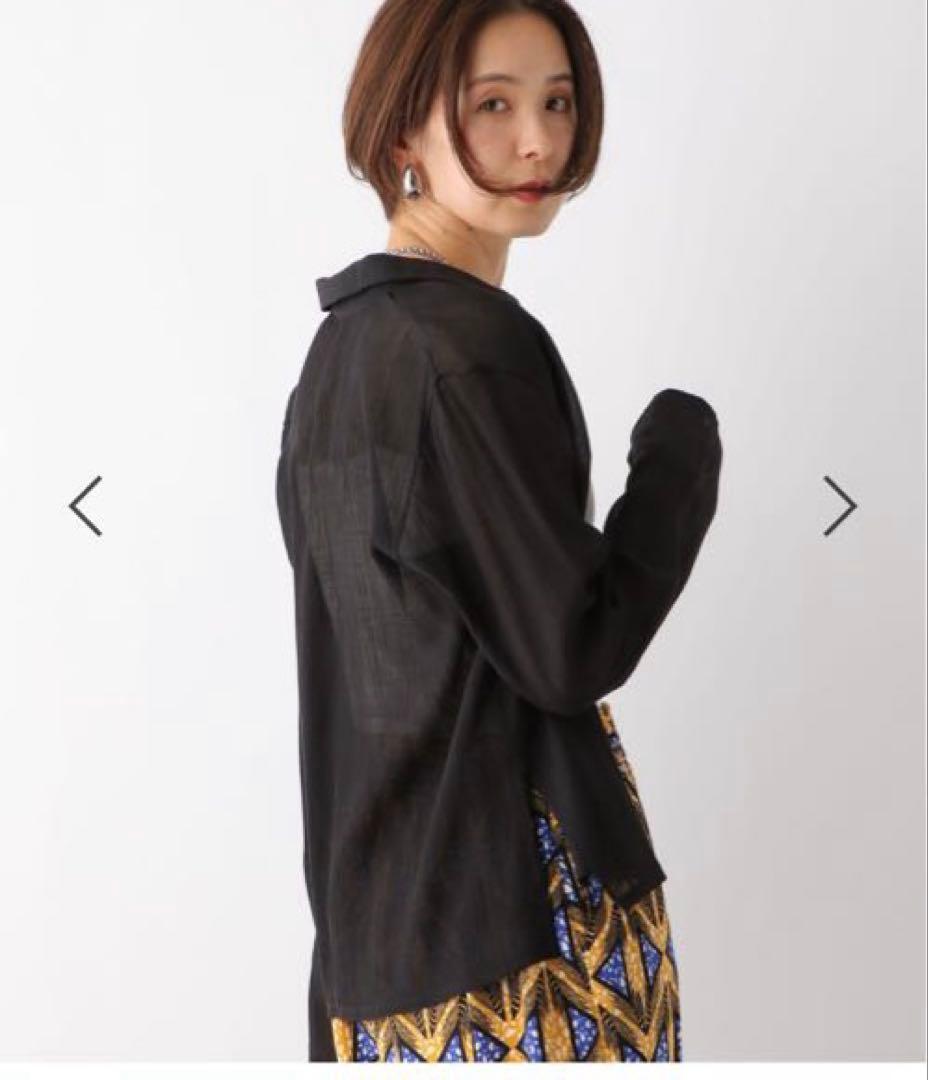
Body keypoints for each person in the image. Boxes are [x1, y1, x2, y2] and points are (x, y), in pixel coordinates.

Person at [275, 0, 722, 1062]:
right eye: (491, 105)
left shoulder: (333, 363)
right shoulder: (469, 350)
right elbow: (570, 647)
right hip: (529, 948)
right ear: (402, 132)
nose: (536, 142)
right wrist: (681, 458)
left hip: (377, 959)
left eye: (557, 103)